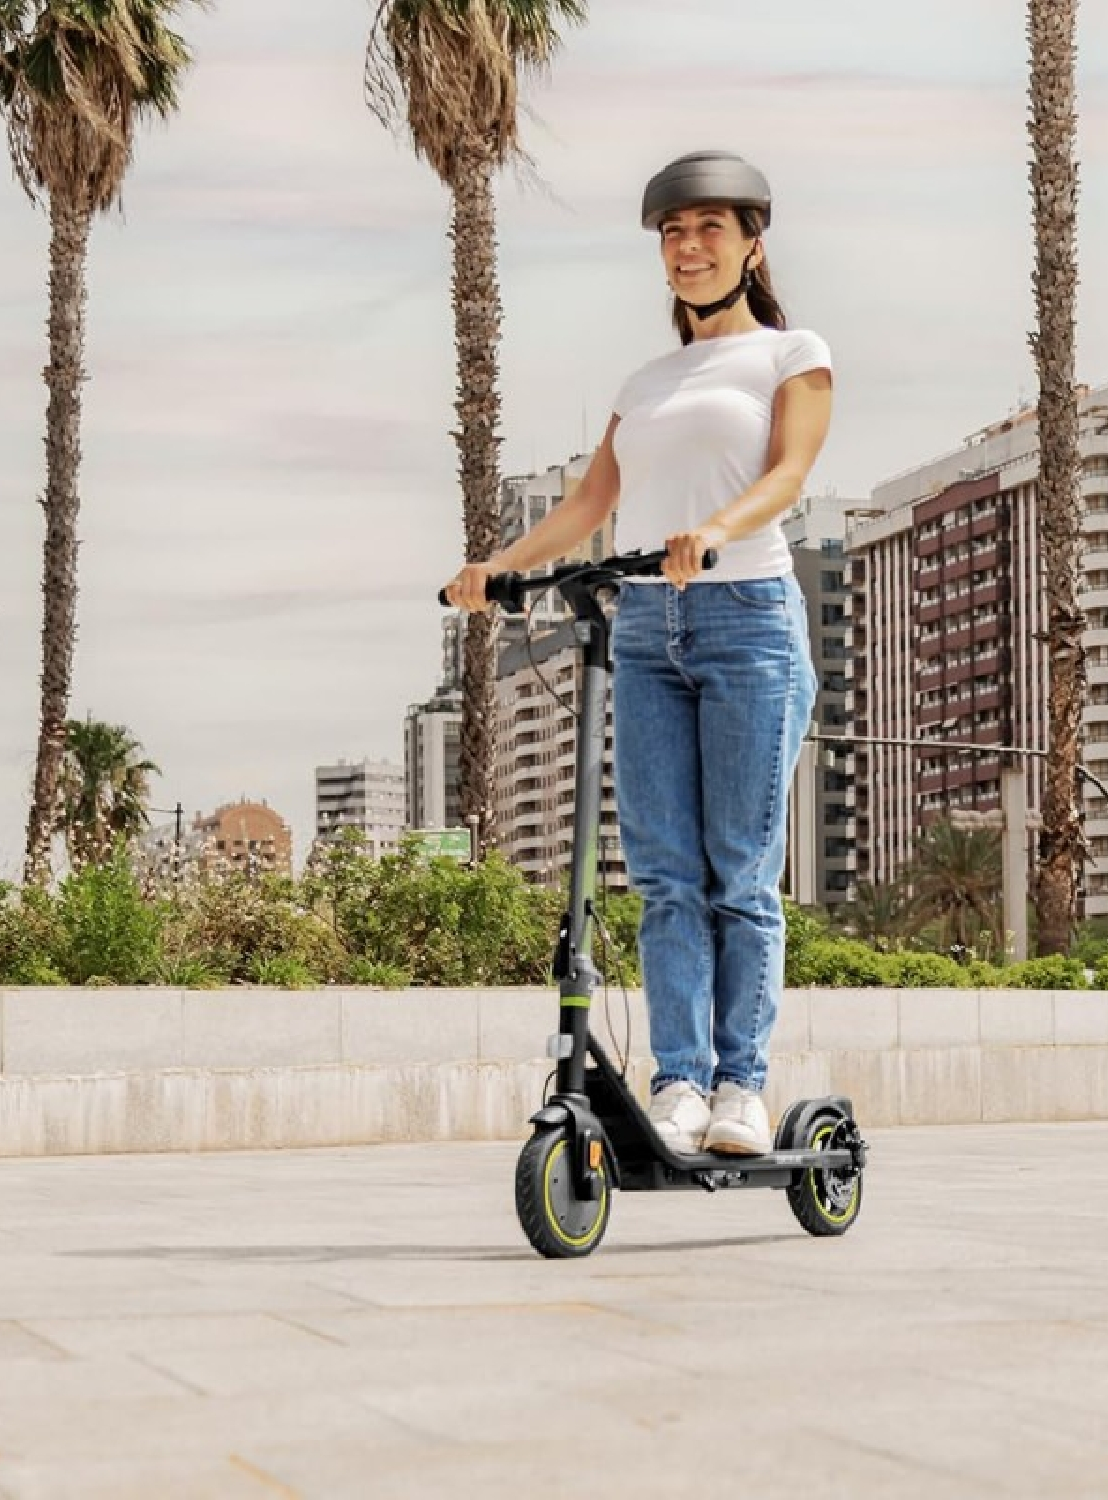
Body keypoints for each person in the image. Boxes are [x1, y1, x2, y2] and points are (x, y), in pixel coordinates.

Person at [445, 150, 830, 1157]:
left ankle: (743, 1085)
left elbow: (788, 472)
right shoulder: (647, 380)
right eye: (672, 233)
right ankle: (681, 1084)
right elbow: (589, 504)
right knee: (663, 874)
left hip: (748, 611)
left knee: (738, 872)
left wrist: (711, 528)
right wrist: (495, 567)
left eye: (710, 228)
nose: (689, 247)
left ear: (752, 245)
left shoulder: (792, 356)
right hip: (652, 626)